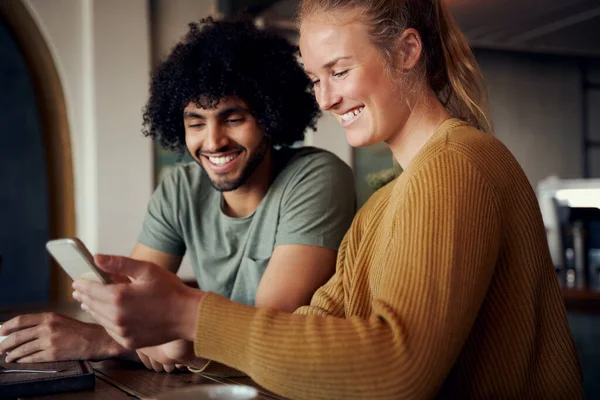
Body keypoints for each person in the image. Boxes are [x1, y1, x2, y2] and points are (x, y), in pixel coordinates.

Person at [70, 0, 583, 398]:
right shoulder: (385, 204)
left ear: (406, 51)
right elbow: (316, 330)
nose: (325, 99)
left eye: (338, 71)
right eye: (315, 79)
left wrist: (191, 315)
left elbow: (395, 369)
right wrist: (194, 344)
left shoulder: (456, 163)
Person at [0, 19, 356, 372]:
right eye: (196, 123)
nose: (213, 141)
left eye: (233, 119)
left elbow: (266, 331)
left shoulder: (318, 177)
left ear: (270, 118)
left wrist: (101, 342)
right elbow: (130, 304)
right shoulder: (182, 188)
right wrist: (134, 329)